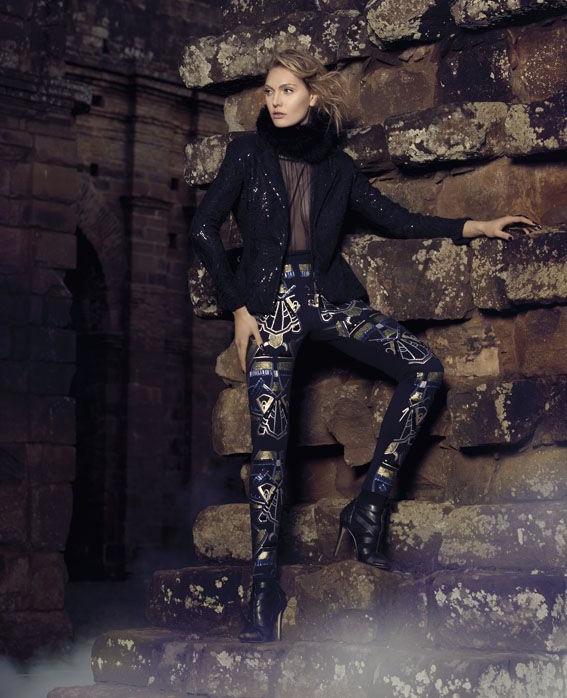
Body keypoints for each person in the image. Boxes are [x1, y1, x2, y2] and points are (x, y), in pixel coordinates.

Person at [189, 46, 540, 643]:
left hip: (327, 301)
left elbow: (395, 219)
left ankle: (370, 503)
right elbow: (203, 228)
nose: (275, 101)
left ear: (313, 96)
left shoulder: (338, 167)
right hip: (269, 313)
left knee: (424, 369)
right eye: (269, 92)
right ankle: (263, 589)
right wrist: (240, 309)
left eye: (287, 90)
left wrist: (475, 226)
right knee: (270, 451)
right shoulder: (247, 153)